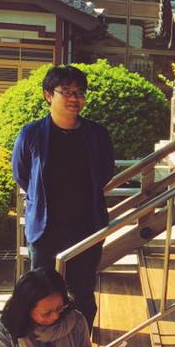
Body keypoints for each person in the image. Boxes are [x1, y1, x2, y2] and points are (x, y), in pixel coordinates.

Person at [12, 65, 115, 326]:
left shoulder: (97, 135)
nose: (74, 98)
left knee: (83, 294)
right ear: (48, 95)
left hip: (86, 227)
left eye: (80, 92)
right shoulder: (32, 134)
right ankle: (44, 346)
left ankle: (81, 344)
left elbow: (105, 172)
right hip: (45, 229)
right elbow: (22, 174)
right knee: (41, 295)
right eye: (66, 91)